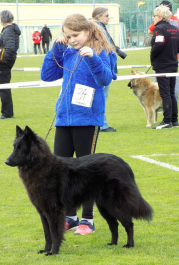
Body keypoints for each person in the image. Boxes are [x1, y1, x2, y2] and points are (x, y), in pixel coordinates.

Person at [41, 13, 117, 235]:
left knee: (86, 170)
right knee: (62, 170)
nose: (72, 40)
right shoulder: (67, 52)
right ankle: (70, 216)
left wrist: (92, 57)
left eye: (76, 35)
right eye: (67, 36)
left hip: (88, 119)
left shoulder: (103, 51)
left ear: (87, 31)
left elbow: (105, 78)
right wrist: (56, 48)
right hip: (64, 118)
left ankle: (88, 220)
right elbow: (46, 75)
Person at [150, 5, 179, 129]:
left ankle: (167, 121)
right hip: (173, 64)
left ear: (160, 17)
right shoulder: (175, 29)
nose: (153, 18)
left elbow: (159, 45)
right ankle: (174, 120)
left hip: (162, 65)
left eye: (155, 16)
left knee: (165, 93)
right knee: (171, 92)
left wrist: (152, 55)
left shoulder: (159, 29)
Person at [92, 7, 118, 132]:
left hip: (99, 68)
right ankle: (102, 125)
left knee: (98, 96)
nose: (108, 18)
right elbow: (108, 49)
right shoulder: (99, 29)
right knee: (101, 97)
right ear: (99, 17)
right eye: (106, 15)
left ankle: (99, 124)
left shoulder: (95, 28)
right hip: (102, 69)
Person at [0, 10, 21, 119]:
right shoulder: (10, 30)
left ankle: (7, 113)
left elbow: (10, 48)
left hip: (4, 63)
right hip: (5, 62)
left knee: (3, 87)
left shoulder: (8, 30)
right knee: (3, 86)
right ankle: (7, 112)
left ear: (2, 19)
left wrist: (3, 60)